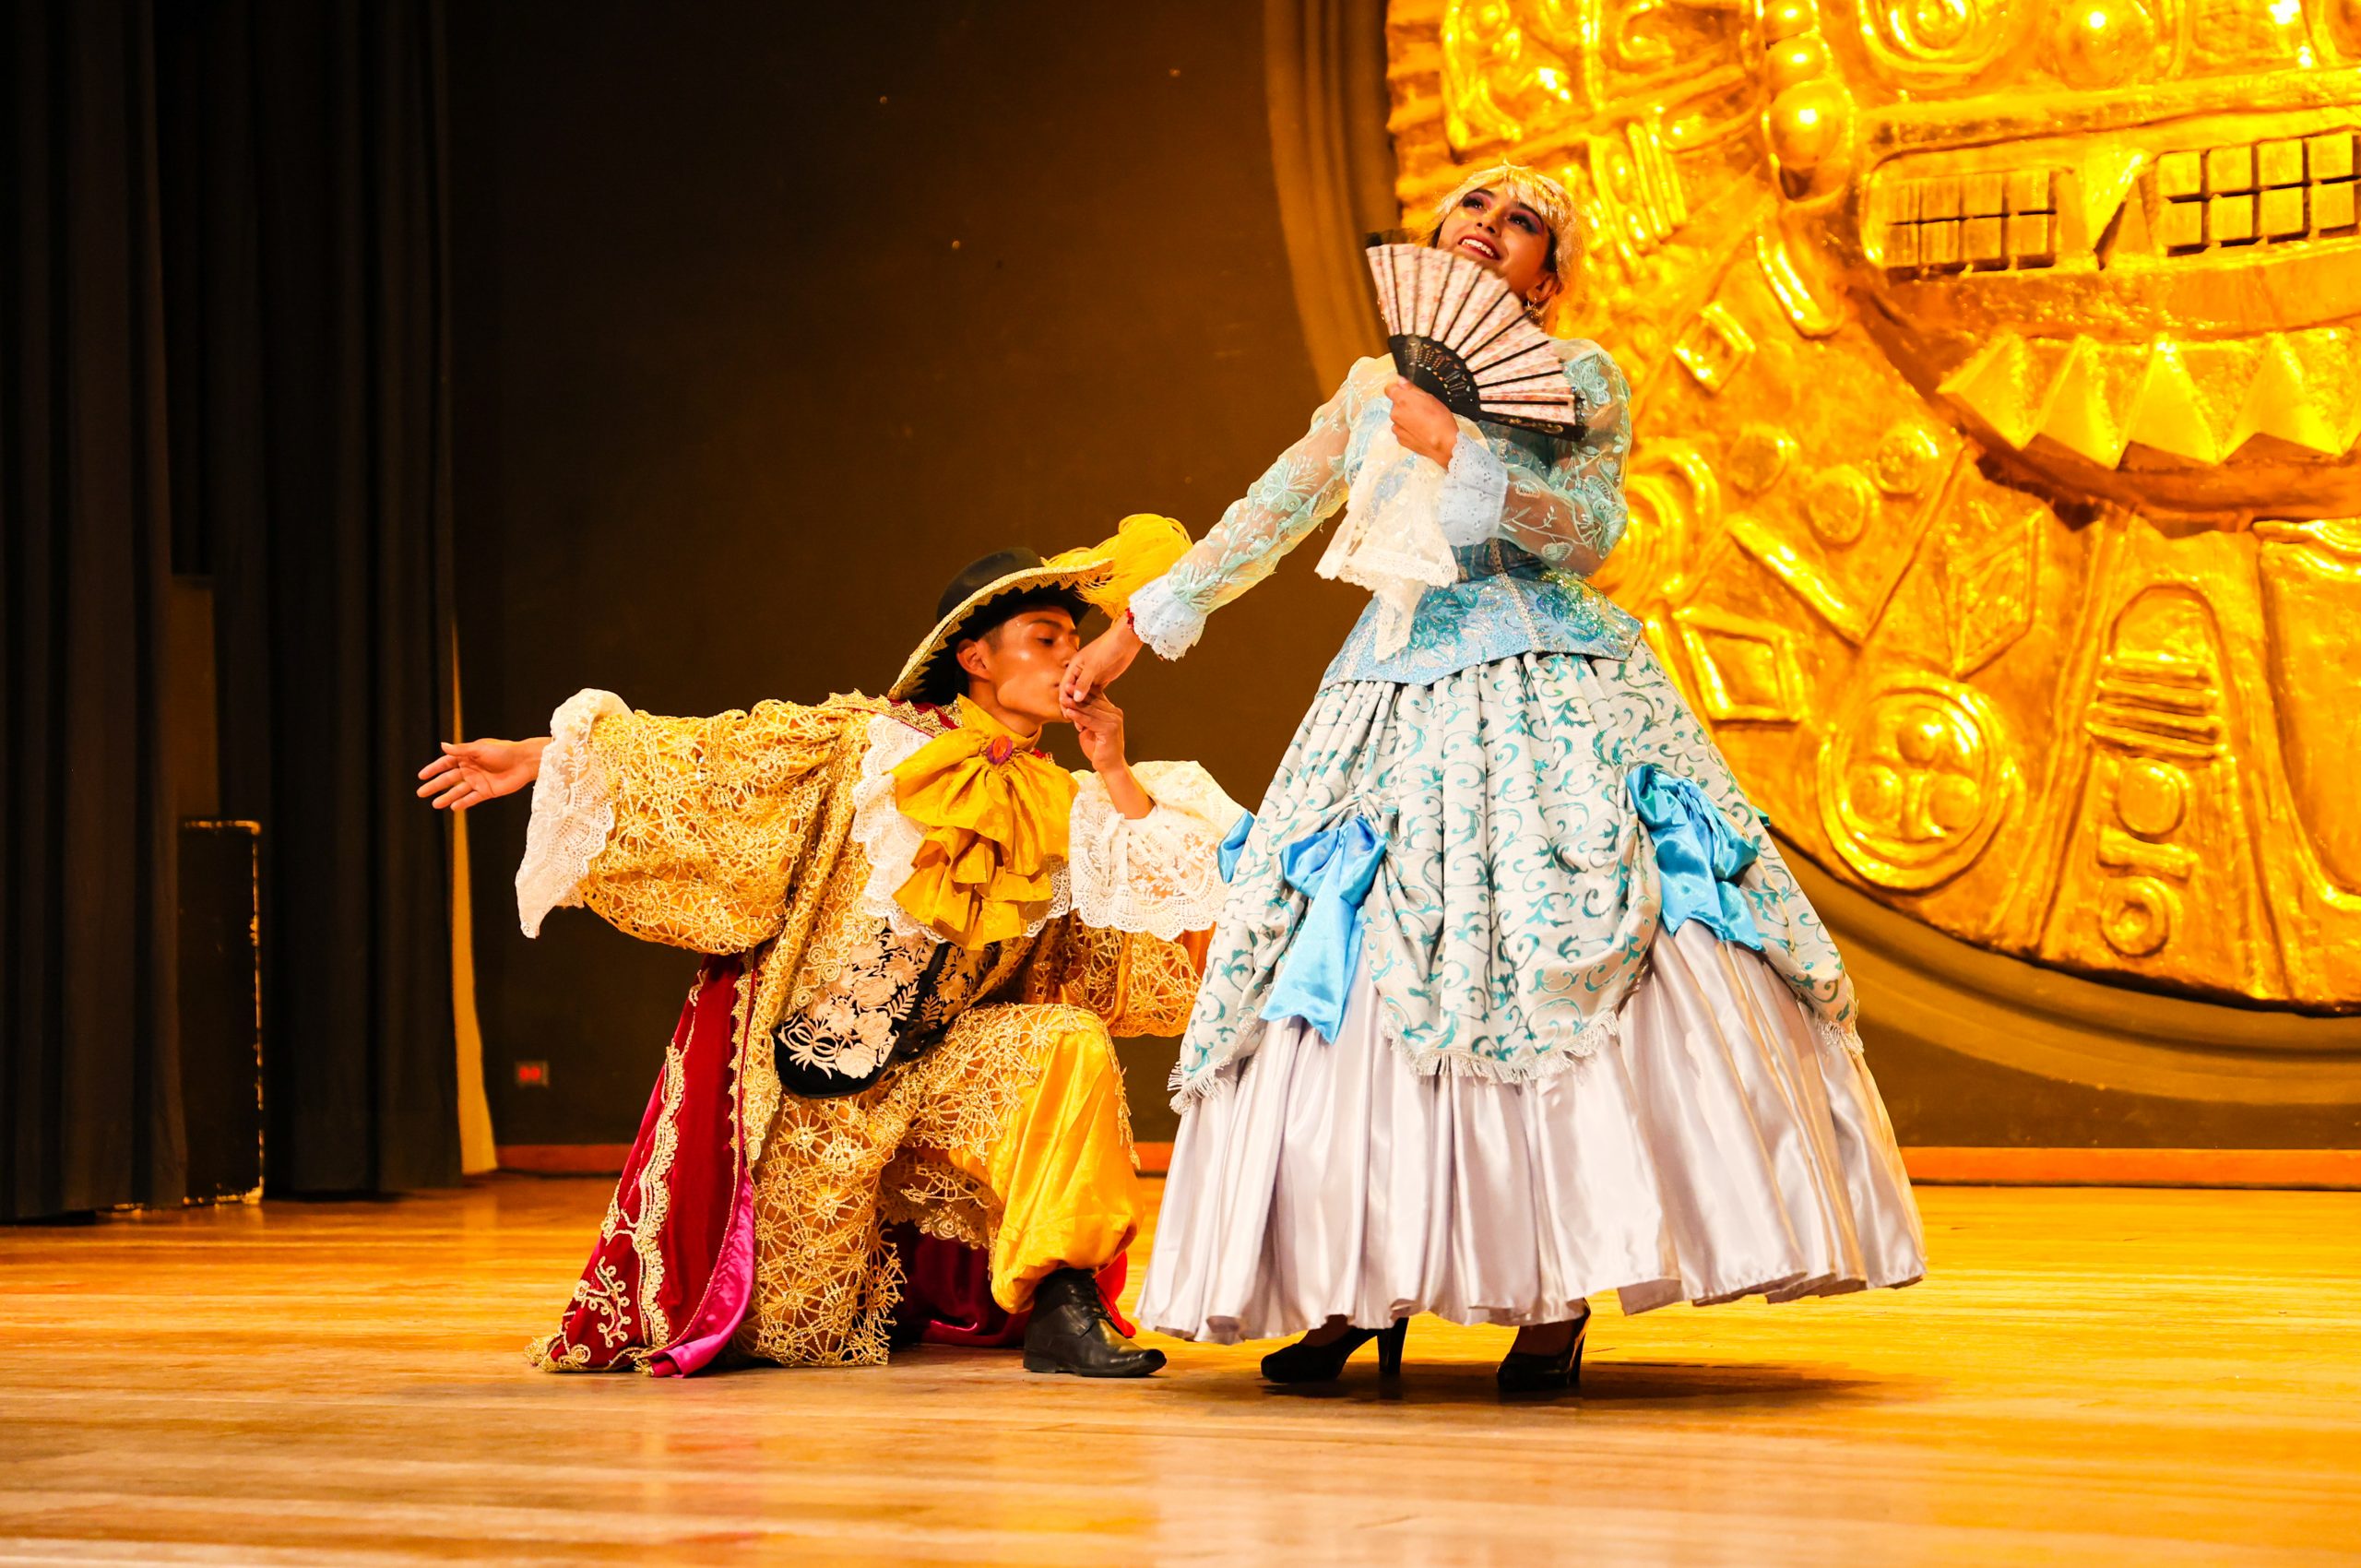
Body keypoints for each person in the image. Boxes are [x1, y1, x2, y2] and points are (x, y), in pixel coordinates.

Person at [1064, 163, 1927, 1393]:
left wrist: (1466, 446)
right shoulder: (1373, 388)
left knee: (1548, 951)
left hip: (1545, 682)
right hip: (1389, 689)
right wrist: (1129, 631)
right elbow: (1264, 518)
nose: (1488, 229)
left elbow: (1592, 532)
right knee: (1351, 966)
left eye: (1523, 223)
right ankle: (1359, 1282)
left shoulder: (1576, 377)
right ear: (1434, 243)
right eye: (1471, 210)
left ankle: (1553, 1293)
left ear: (1549, 273)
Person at [420, 521, 1240, 1378]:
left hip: (950, 1072)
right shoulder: (865, 750)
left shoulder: (1064, 807)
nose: (1072, 660)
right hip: (819, 1097)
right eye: (1045, 641)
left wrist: (1110, 763)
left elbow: (1160, 892)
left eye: (1077, 643)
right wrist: (543, 758)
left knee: (1065, 1042)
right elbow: (704, 765)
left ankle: (1064, 1309)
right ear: (976, 659)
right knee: (792, 1337)